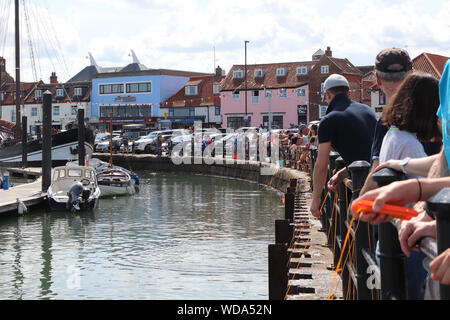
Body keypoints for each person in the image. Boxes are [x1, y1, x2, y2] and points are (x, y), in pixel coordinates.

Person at [310, 74, 377, 217]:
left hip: (364, 184)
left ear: (327, 95)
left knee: (354, 224)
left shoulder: (329, 120)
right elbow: (366, 151)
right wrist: (343, 173)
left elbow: (321, 164)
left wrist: (316, 199)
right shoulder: (369, 111)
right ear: (349, 93)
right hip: (382, 176)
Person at [357, 48, 413, 195]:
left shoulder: (388, 119)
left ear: (378, 78)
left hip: (405, 208)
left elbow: (377, 170)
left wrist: (356, 206)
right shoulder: (437, 110)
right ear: (412, 74)